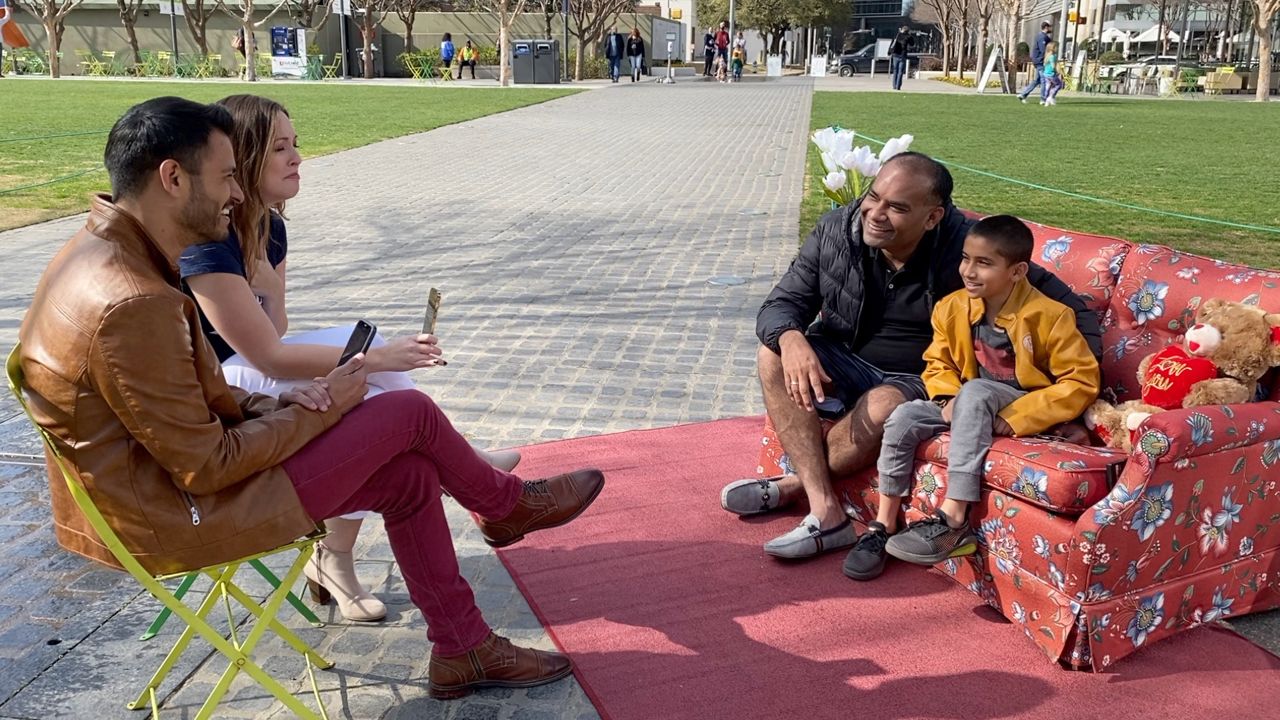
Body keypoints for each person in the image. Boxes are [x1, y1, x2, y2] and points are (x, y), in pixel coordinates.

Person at [18, 96, 606, 698]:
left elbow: (205, 398)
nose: (238, 194)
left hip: (155, 491)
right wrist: (326, 406)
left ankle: (464, 646)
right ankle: (503, 507)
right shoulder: (133, 299)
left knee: (407, 473)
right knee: (404, 411)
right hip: (171, 517)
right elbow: (205, 464)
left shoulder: (107, 253)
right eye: (226, 178)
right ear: (172, 178)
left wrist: (294, 405)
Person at [177, 94, 521, 623]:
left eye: (296, 145)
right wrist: (379, 359)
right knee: (363, 379)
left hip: (251, 371)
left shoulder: (269, 228)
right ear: (241, 159)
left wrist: (268, 288)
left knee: (361, 365)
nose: (296, 158)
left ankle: (343, 552)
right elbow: (265, 355)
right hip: (222, 393)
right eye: (279, 148)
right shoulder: (207, 243)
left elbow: (276, 330)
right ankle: (450, 480)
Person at [718, 152, 1102, 562]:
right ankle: (825, 510)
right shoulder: (836, 230)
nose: (876, 213)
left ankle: (801, 492)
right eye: (873, 196)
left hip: (916, 373)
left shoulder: (969, 250)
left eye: (897, 207)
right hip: (844, 354)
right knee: (772, 353)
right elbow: (781, 304)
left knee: (883, 406)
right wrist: (791, 337)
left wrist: (1070, 413)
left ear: (933, 217)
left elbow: (1074, 314)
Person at [844, 216, 1100, 580]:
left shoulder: (1051, 316)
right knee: (904, 416)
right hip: (965, 400)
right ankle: (883, 524)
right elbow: (937, 361)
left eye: (984, 263)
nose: (969, 271)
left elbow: (1080, 381)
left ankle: (953, 518)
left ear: (1017, 271)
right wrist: (948, 397)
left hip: (1015, 402)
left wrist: (1018, 416)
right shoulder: (951, 308)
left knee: (976, 391)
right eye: (966, 259)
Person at [1019, 22, 1053, 104]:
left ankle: (1023, 94)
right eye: (1050, 27)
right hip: (1040, 61)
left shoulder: (1043, 37)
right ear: (1046, 27)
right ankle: (1043, 99)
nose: (1051, 29)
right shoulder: (1042, 37)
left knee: (1037, 80)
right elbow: (1043, 50)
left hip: (1039, 61)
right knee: (1044, 80)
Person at [889, 25, 913, 91]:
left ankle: (894, 85)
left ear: (902, 30)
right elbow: (912, 44)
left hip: (895, 54)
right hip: (902, 55)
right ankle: (898, 86)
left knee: (895, 70)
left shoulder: (897, 35)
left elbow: (892, 43)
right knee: (900, 71)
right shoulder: (908, 36)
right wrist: (910, 35)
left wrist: (889, 52)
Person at [1041, 41, 1064, 106]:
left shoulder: (1047, 56)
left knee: (1048, 86)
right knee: (1059, 84)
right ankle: (1051, 97)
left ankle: (1045, 99)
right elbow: (1053, 65)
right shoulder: (1052, 56)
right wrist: (1057, 72)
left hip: (1046, 74)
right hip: (1051, 74)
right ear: (1053, 48)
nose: (1057, 49)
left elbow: (1045, 65)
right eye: (1056, 47)